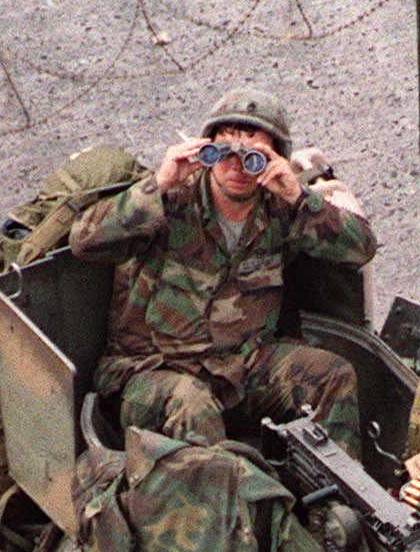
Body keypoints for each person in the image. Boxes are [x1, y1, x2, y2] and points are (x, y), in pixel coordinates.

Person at [68, 85, 377, 459]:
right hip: (151, 374)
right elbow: (83, 241)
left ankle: (336, 504)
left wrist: (298, 196)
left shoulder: (280, 209)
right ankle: (232, 510)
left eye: (253, 158)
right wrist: (160, 183)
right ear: (206, 150)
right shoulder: (169, 201)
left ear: (275, 158)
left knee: (333, 375)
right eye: (225, 152)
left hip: (239, 369)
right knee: (193, 405)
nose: (235, 167)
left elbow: (361, 248)